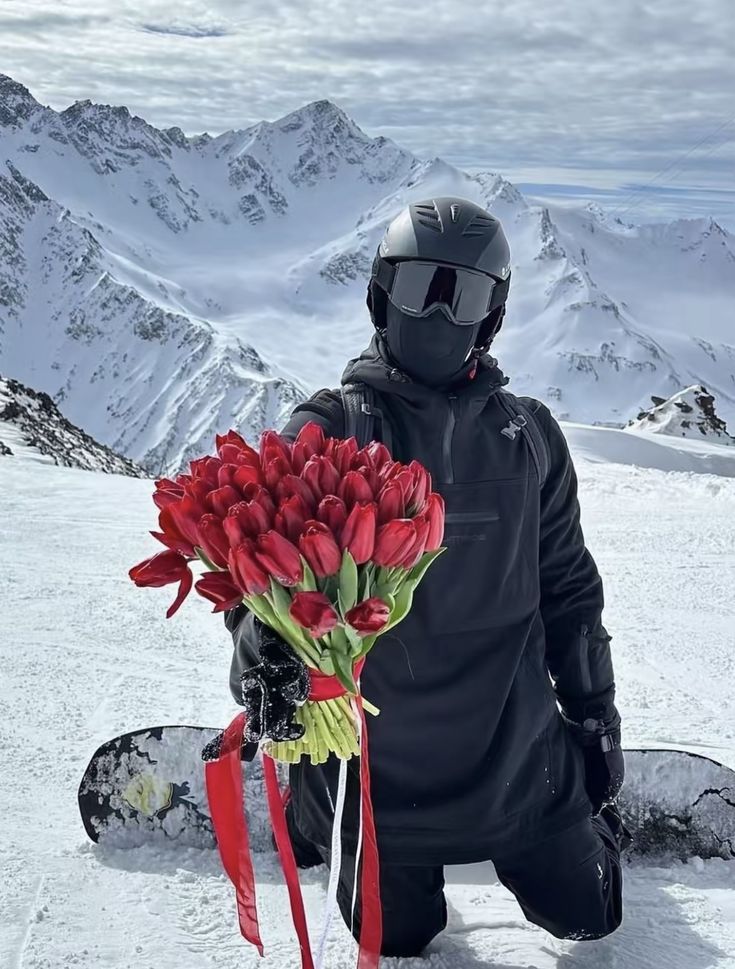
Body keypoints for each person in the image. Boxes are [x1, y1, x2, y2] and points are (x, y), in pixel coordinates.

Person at [220, 196, 630, 957]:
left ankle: (572, 827)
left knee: (589, 915)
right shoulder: (327, 430)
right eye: (420, 287)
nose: (439, 313)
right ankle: (312, 801)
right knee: (401, 937)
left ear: (492, 314)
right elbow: (256, 585)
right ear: (380, 296)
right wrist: (265, 661)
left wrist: (593, 716)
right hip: (375, 773)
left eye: (464, 293)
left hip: (514, 757)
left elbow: (569, 587)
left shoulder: (528, 438)